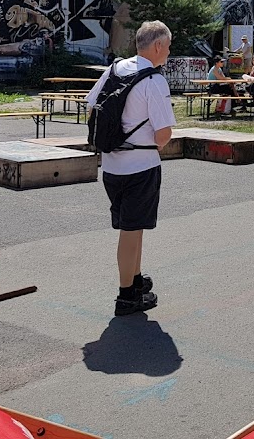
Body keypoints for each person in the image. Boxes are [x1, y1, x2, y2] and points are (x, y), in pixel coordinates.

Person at [85, 20, 176, 317]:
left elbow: (91, 106)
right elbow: (163, 135)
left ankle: (135, 281)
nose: (169, 52)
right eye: (168, 46)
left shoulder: (114, 69)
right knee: (130, 230)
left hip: (111, 166)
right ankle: (126, 296)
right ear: (158, 46)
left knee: (132, 229)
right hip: (141, 166)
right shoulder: (154, 81)